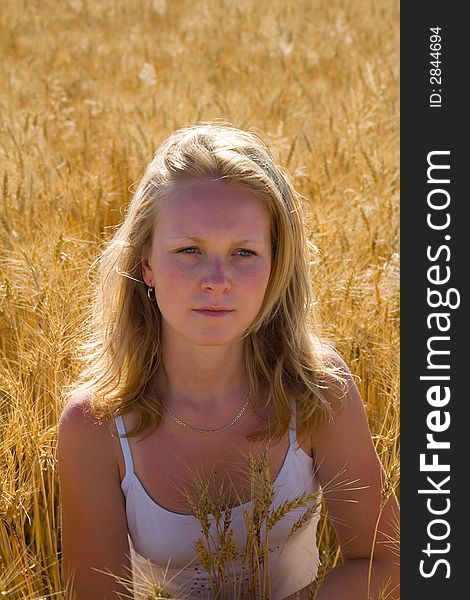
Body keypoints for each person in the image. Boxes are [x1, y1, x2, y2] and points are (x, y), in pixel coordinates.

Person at [58, 122, 399, 600]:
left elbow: (384, 560)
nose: (217, 280)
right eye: (189, 250)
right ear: (146, 264)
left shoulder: (319, 390)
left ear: (275, 265)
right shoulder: (93, 425)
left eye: (244, 252)